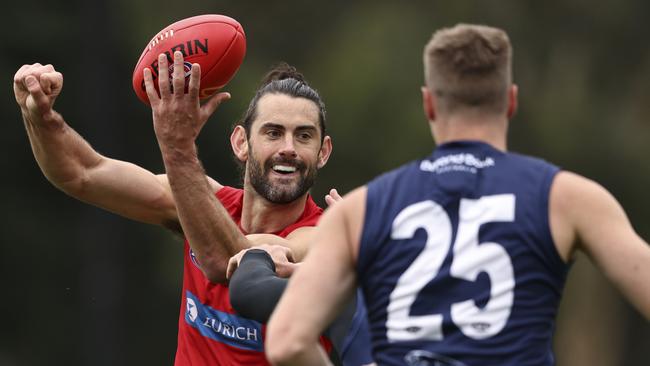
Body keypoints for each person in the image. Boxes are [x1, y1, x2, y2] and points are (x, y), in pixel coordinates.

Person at [265, 23, 650, 366]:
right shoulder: (566, 197)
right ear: (511, 101)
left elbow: (286, 342)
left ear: (429, 103)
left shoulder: (360, 208)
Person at [13, 52, 369, 365]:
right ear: (241, 143)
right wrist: (39, 117)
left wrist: (178, 147)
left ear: (323, 152)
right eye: (273, 133)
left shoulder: (326, 234)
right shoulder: (197, 200)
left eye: (303, 136)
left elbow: (234, 260)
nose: (288, 148)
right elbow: (81, 173)